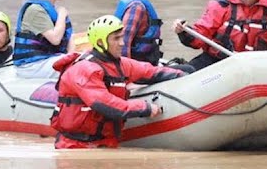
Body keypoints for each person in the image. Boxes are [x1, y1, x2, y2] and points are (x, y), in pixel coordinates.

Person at [49, 15, 185, 150]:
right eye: (116, 38)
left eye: (122, 37)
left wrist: (184, 74)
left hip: (107, 143)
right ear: (101, 42)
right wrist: (144, 108)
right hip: (76, 146)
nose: (122, 43)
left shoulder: (119, 64)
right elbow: (105, 104)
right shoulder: (85, 69)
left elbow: (150, 72)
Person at [13, 0, 73, 77]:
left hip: (47, 60)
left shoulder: (53, 10)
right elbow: (55, 39)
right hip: (31, 65)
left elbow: (69, 39)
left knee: (82, 61)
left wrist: (72, 57)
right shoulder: (35, 10)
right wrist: (62, 15)